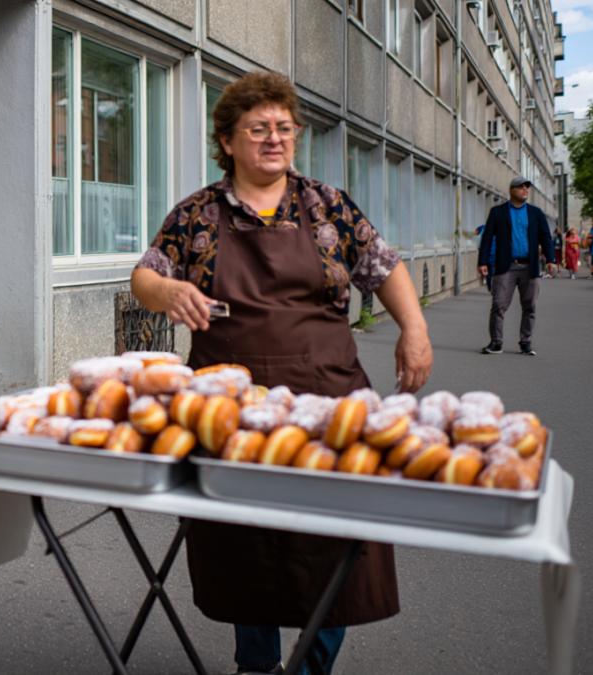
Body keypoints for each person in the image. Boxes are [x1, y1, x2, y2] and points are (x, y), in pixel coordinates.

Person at [131, 71, 433, 675]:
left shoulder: (327, 205)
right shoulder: (195, 214)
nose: (274, 139)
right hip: (229, 409)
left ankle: (311, 665)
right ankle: (256, 665)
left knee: (339, 539)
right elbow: (144, 276)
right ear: (228, 141)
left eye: (284, 129)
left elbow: (383, 266)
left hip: (329, 401)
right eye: (258, 128)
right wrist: (167, 290)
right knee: (246, 541)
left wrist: (415, 330)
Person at [477, 177, 557, 356]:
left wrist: (551, 259)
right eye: (521, 187)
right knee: (498, 305)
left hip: (530, 267)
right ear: (512, 190)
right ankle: (496, 343)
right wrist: (482, 262)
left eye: (527, 187)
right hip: (506, 266)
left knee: (530, 306)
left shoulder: (536, 213)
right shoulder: (498, 212)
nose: (525, 190)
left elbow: (545, 237)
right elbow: (487, 238)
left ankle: (525, 342)